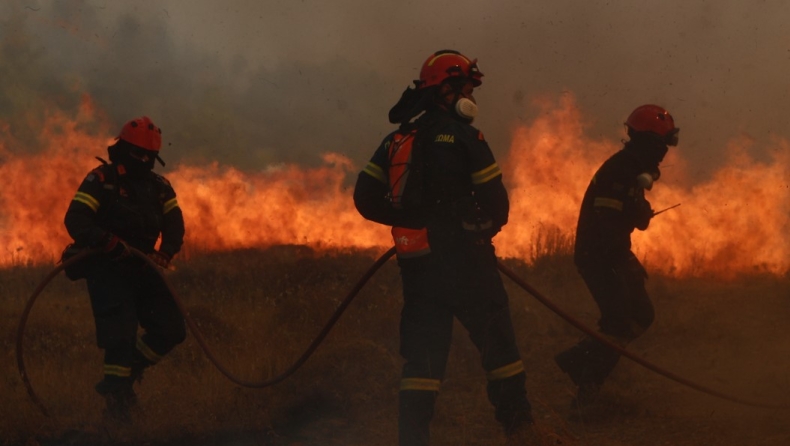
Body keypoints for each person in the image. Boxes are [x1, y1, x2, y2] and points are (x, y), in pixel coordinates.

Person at [354, 50, 533, 445]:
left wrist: (413, 219)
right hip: (468, 265)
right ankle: (522, 431)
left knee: (422, 361)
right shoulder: (467, 138)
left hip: (418, 267)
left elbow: (365, 198)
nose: (473, 95)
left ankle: (412, 439)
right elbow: (497, 205)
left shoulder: (398, 139)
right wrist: (478, 228)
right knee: (498, 349)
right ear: (449, 89)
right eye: (469, 86)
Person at [555, 104, 679, 407]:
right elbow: (606, 224)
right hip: (599, 256)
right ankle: (586, 382)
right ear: (649, 141)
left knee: (640, 315)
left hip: (610, 254)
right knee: (619, 322)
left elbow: (626, 215)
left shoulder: (633, 170)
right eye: (662, 144)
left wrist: (639, 212)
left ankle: (578, 362)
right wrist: (626, 262)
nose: (664, 152)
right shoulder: (622, 170)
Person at [64, 116, 186, 421]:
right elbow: (76, 218)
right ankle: (117, 405)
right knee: (119, 336)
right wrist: (105, 241)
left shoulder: (160, 187)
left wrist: (166, 252)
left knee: (171, 328)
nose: (143, 160)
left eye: (149, 157)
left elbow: (174, 224)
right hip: (109, 269)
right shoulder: (102, 180)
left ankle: (128, 373)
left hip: (144, 268)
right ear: (122, 148)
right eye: (138, 154)